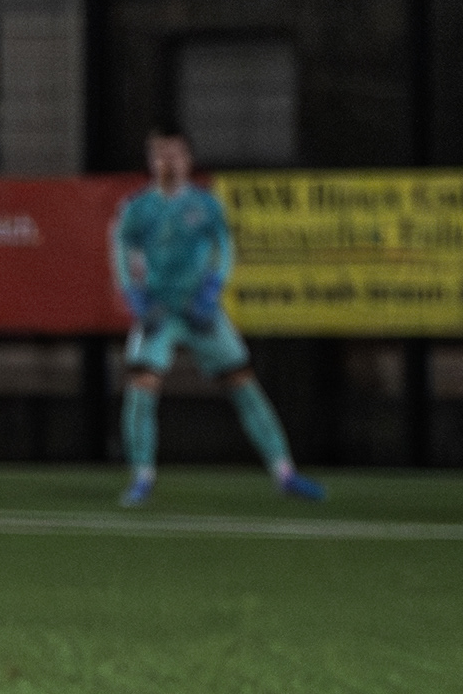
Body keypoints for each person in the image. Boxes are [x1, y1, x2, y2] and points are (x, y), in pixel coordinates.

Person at [112, 128, 324, 506]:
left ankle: (284, 472)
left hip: (199, 309)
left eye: (175, 154)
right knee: (141, 387)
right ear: (151, 161)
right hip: (160, 310)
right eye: (160, 154)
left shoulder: (206, 204)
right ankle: (142, 476)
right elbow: (122, 251)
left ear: (188, 160)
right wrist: (136, 297)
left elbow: (224, 248)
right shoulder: (138, 208)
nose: (168, 162)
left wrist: (211, 291)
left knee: (243, 383)